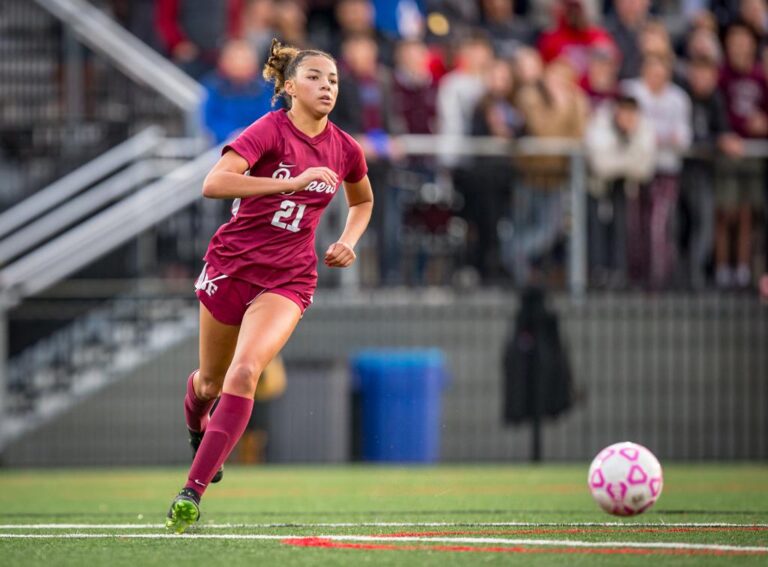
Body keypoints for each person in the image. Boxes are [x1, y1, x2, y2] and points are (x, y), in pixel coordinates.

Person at [165, 38, 373, 534]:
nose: (327, 87)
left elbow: (362, 201)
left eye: (334, 80)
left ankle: (190, 494)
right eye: (316, 78)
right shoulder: (269, 130)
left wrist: (348, 239)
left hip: (289, 277)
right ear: (289, 87)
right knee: (209, 383)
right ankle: (200, 430)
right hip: (231, 267)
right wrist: (291, 183)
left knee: (245, 372)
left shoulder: (346, 147)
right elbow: (214, 183)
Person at [201, 40, 274, 144]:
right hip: (221, 146)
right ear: (223, 62)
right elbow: (209, 121)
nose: (239, 64)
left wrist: (249, 135)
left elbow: (269, 120)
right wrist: (231, 135)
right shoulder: (213, 86)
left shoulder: (266, 89)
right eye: (234, 59)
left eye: (244, 59)